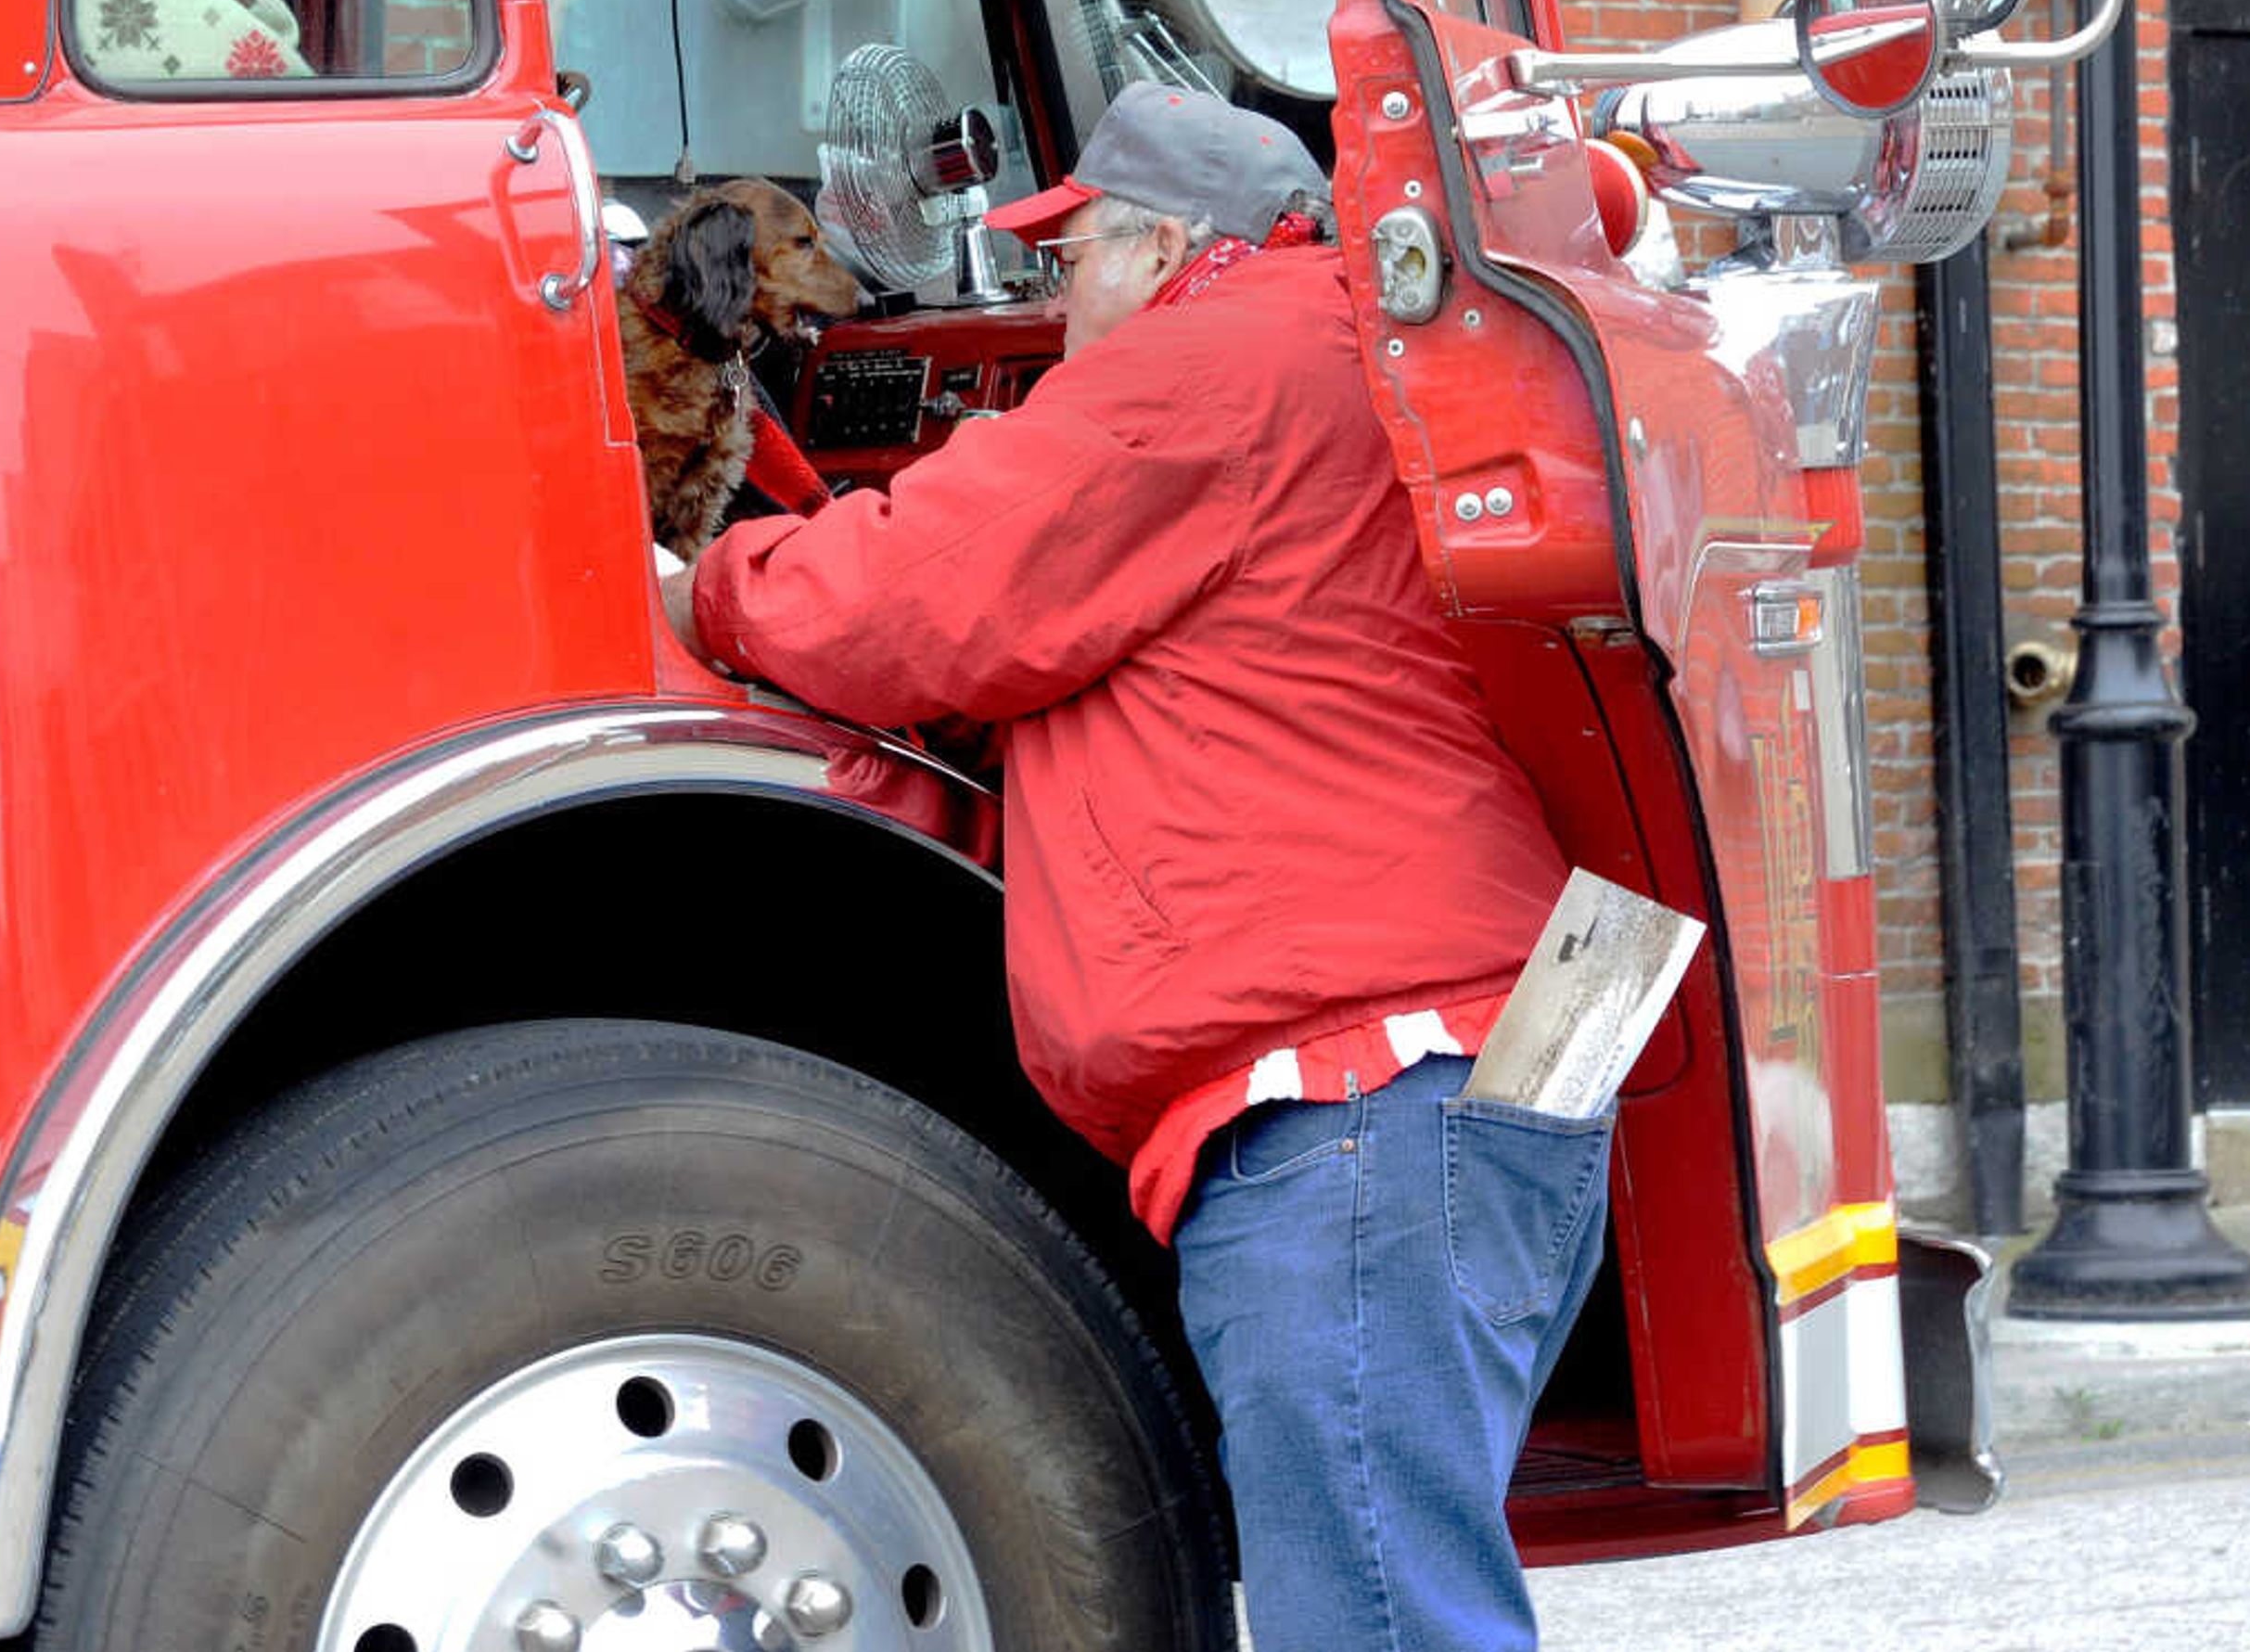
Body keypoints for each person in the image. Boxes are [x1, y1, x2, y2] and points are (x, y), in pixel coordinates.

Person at [658, 83, 1604, 1652]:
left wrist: (699, 591)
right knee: (1395, 1586)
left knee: (1378, 1617)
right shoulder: (1335, 350)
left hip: (1355, 1090)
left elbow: (913, 593)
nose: (1048, 301)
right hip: (1462, 1065)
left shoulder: (1210, 361)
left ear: (1171, 245)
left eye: (1074, 255)